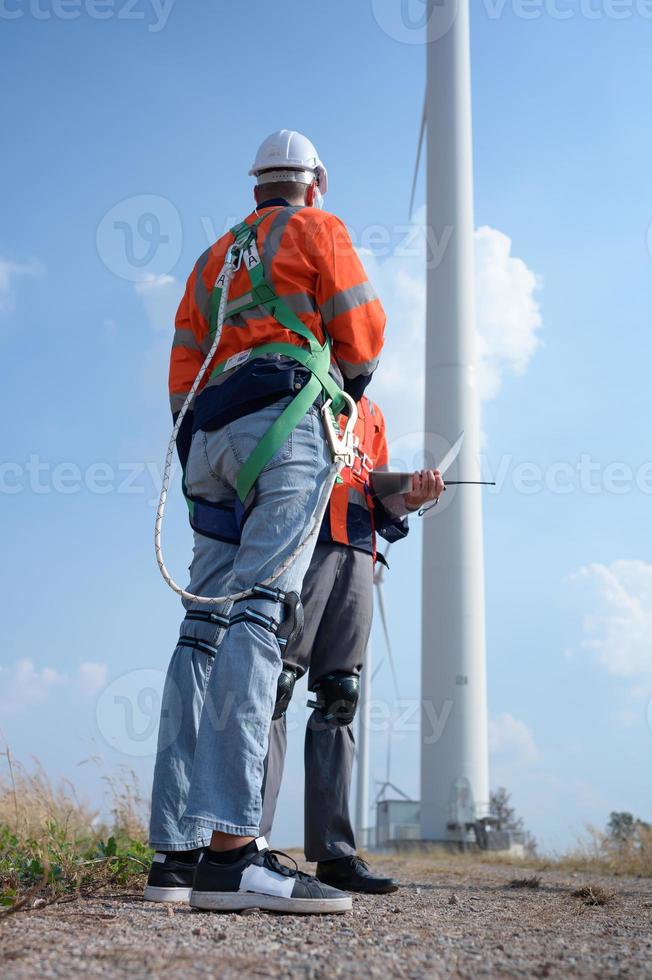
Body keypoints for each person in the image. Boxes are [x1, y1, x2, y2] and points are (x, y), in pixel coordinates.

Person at [145, 130, 386, 914]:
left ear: (257, 187)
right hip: (282, 423)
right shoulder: (318, 228)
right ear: (314, 183)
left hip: (206, 438)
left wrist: (198, 447)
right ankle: (232, 850)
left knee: (199, 632)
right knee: (259, 613)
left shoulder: (211, 259)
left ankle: (173, 855)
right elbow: (362, 327)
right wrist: (345, 390)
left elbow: (182, 366)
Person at [260, 397, 445, 894]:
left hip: (359, 554)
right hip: (302, 546)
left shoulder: (375, 416)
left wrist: (411, 498)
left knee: (340, 697)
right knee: (273, 687)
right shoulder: (302, 385)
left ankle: (335, 855)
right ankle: (246, 844)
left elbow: (375, 497)